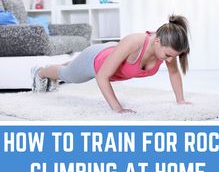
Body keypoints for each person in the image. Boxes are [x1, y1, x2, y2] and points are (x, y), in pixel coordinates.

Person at [32, 14, 190, 114]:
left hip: (110, 51)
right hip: (93, 60)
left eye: (173, 57)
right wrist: (117, 108)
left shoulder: (167, 48)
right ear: (157, 41)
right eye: (168, 56)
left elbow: (174, 73)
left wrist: (180, 100)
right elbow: (102, 76)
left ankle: (72, 63)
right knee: (67, 75)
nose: (170, 60)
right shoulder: (135, 41)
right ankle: (40, 72)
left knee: (72, 67)